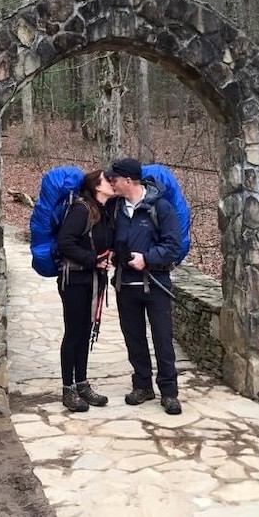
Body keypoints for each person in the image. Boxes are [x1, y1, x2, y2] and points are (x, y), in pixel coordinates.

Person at [106, 157, 183, 415]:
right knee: (134, 338)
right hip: (125, 285)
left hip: (156, 284)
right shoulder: (115, 208)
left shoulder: (160, 208)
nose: (111, 183)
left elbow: (173, 245)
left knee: (163, 338)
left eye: (114, 179)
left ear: (128, 180)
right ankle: (142, 386)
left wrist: (147, 258)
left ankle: (169, 393)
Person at [55, 169, 116, 412]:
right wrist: (94, 260)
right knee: (73, 333)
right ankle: (68, 389)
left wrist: (106, 258)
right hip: (74, 280)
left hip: (92, 280)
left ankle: (82, 383)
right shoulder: (81, 210)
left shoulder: (101, 211)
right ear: (96, 187)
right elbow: (64, 243)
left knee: (85, 331)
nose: (111, 183)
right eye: (106, 180)